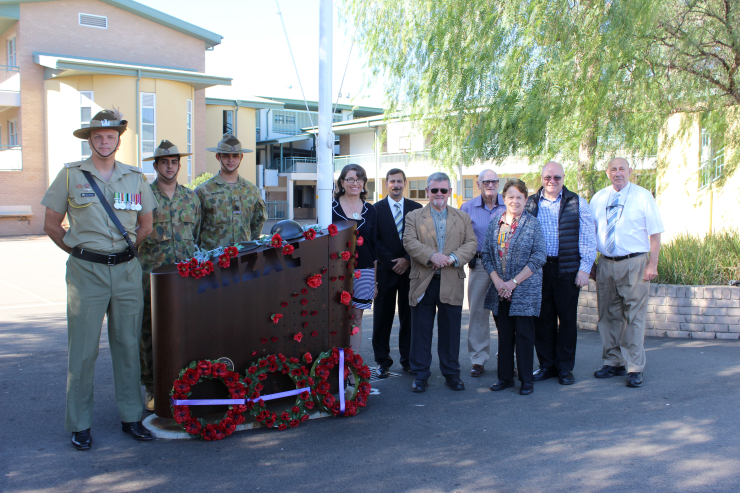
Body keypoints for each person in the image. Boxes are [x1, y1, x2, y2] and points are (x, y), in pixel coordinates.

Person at [41, 109, 157, 450]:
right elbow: (51, 224)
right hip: (85, 273)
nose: (104, 141)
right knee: (83, 349)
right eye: (97, 136)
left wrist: (121, 255)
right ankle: (79, 424)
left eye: (110, 136)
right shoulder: (70, 175)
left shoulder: (135, 178)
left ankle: (131, 417)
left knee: (128, 345)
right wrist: (82, 254)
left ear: (118, 140)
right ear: (89, 140)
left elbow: (146, 225)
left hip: (125, 271)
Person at [138, 140, 201, 411]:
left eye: (174, 161)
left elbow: (195, 234)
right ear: (155, 165)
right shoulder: (143, 196)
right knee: (149, 331)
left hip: (184, 279)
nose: (170, 166)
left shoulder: (191, 198)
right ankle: (152, 387)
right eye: (164, 162)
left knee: (186, 330)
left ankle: (184, 384)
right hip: (151, 278)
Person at [590, 157, 664, 388]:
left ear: (630, 171)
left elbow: (655, 234)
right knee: (608, 315)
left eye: (622, 169)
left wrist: (653, 264)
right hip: (606, 263)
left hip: (635, 263)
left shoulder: (643, 196)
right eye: (613, 169)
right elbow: (591, 233)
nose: (618, 173)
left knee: (634, 317)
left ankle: (634, 367)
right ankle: (613, 361)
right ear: (607, 172)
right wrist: (590, 263)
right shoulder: (599, 198)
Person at [404, 172, 477, 393]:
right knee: (421, 331)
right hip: (424, 281)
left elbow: (471, 243)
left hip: (451, 280)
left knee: (451, 331)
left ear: (449, 193)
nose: (439, 194)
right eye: (434, 190)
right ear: (427, 191)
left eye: (443, 190)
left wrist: (453, 258)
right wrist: (431, 256)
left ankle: (451, 374)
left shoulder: (461, 217)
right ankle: (420, 374)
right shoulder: (414, 216)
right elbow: (409, 241)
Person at [525, 162, 596, 386]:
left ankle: (565, 368)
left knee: (566, 320)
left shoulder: (577, 202)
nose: (552, 181)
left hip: (566, 269)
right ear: (541, 178)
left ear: (564, 178)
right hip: (539, 269)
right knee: (542, 320)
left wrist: (584, 269)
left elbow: (587, 237)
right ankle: (547, 365)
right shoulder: (531, 203)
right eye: (548, 177)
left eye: (557, 177)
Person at [482, 179, 546, 396]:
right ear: (504, 198)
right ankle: (505, 377)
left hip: (525, 290)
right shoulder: (495, 223)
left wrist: (513, 283)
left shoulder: (533, 224)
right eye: (511, 196)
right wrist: (499, 282)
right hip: (500, 290)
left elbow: (539, 257)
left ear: (525, 199)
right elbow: (487, 256)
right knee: (505, 334)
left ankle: (526, 379)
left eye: (519, 197)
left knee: (525, 336)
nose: (515, 201)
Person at [372, 168, 423, 378]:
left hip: (411, 272)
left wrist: (408, 260)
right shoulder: (375, 209)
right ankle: (382, 361)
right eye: (392, 181)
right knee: (382, 319)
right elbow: (374, 240)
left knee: (409, 318)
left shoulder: (416, 208)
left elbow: (421, 239)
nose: (396, 185)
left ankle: (408, 360)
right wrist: (393, 262)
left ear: (405, 183)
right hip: (385, 272)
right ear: (386, 184)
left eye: (399, 181)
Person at [460, 169, 506, 378]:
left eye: (494, 181)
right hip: (479, 266)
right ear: (478, 185)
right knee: (478, 313)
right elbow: (461, 238)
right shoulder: (467, 208)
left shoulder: (510, 203)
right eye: (486, 182)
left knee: (505, 314)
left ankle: (507, 358)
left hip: (506, 266)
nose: (490, 185)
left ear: (499, 184)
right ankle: (478, 359)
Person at [332, 164, 378, 364]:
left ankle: (353, 365)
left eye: (359, 179)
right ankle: (334, 363)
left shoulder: (371, 210)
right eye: (350, 179)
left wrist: (375, 279)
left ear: (364, 183)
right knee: (337, 317)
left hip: (364, 270)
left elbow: (375, 245)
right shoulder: (330, 208)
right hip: (336, 270)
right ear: (342, 182)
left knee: (356, 318)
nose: (355, 183)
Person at [196, 133, 266, 250]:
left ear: (241, 157)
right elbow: (196, 229)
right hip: (213, 261)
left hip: (243, 258)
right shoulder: (203, 190)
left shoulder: (252, 191)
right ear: (218, 157)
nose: (231, 160)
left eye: (235, 156)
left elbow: (256, 225)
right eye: (226, 156)